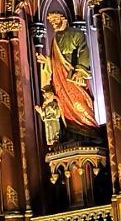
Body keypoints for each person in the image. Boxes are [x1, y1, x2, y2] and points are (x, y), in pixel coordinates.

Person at [40, 9, 97, 145]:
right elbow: (55, 61)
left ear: (63, 19)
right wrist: (47, 61)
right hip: (60, 81)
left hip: (73, 78)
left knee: (80, 104)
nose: (53, 24)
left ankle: (89, 133)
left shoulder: (76, 33)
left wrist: (80, 70)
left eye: (55, 20)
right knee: (65, 106)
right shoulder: (55, 39)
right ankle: (72, 132)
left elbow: (83, 50)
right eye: (51, 22)